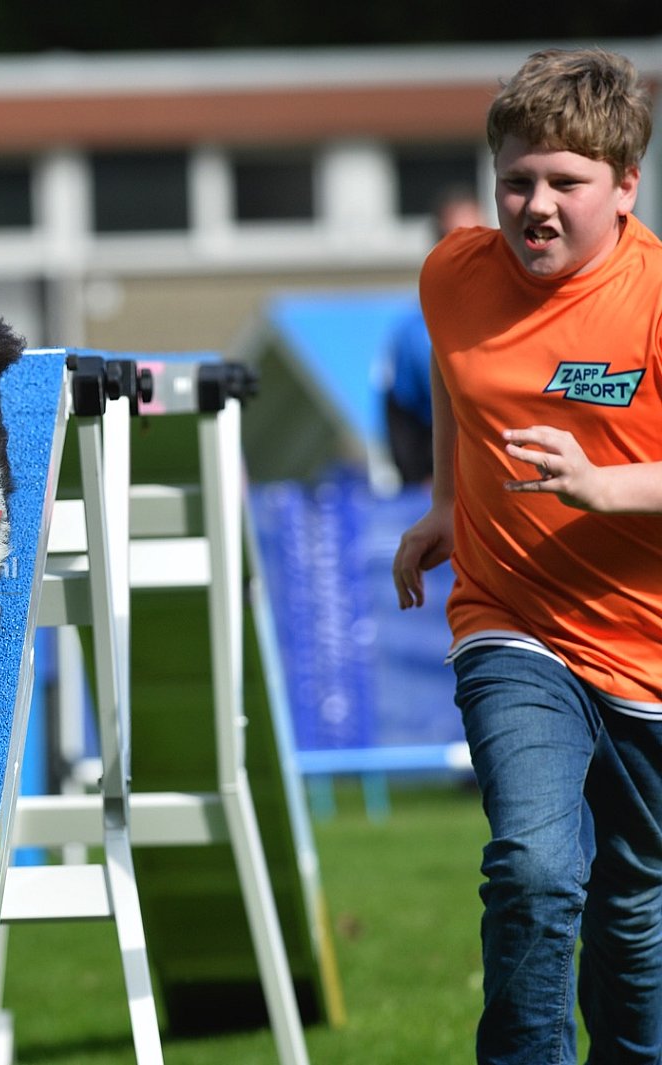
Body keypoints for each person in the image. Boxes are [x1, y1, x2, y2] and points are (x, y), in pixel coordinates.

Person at [391, 48, 662, 1064]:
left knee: (632, 906)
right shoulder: (452, 274)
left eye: (565, 183)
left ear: (625, 185)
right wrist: (445, 504)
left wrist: (603, 485)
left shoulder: (654, 298)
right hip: (512, 623)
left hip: (646, 647)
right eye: (516, 180)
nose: (535, 206)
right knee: (537, 869)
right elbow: (458, 376)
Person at [383, 188, 486, 488]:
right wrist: (428, 481)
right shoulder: (415, 331)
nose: (464, 249)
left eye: (476, 237)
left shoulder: (518, 313)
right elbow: (401, 415)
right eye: (451, 237)